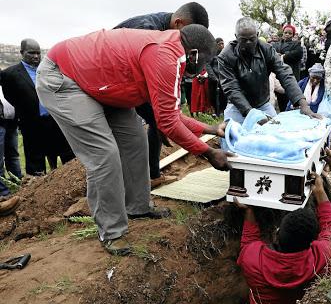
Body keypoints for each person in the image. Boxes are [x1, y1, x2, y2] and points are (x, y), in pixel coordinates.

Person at [35, 25, 234, 256]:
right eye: (205, 62)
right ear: (194, 54)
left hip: (102, 84)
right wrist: (208, 153)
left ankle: (138, 207)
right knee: (104, 155)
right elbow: (168, 123)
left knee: (136, 140)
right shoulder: (166, 55)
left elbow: (172, 113)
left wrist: (212, 128)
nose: (203, 69)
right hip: (65, 77)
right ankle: (110, 231)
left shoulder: (175, 52)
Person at [113, 2, 209, 188]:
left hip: (129, 86)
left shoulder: (173, 31)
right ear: (179, 23)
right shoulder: (148, 32)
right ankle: (125, 187)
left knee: (158, 122)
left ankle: (152, 175)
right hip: (112, 85)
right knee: (130, 140)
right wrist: (159, 119)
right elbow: (136, 82)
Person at [235, 172, 331, 304]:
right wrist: (319, 191)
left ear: (276, 234)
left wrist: (249, 211)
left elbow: (248, 243)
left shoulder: (252, 259)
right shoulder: (325, 256)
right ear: (312, 242)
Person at [218, 17, 320, 127]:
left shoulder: (266, 50)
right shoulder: (226, 56)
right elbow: (232, 88)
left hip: (262, 104)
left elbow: (284, 73)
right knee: (232, 137)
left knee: (274, 133)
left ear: (257, 35)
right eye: (243, 40)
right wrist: (251, 115)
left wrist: (303, 104)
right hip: (237, 107)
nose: (248, 43)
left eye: (252, 39)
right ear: (236, 37)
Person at [0, 39, 75, 176]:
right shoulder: (9, 74)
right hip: (31, 125)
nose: (35, 56)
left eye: (38, 53)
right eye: (31, 53)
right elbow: (10, 97)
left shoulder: (49, 69)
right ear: (22, 52)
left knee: (68, 156)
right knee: (35, 164)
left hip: (55, 122)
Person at [0, 84, 23, 197]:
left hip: (11, 122)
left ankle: (18, 183)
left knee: (13, 155)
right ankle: (3, 192)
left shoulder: (5, 81)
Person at [206, 38, 227, 117]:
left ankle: (221, 112)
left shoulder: (225, 54)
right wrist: (213, 77)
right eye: (219, 44)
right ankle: (213, 112)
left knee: (223, 96)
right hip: (213, 79)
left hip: (222, 79)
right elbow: (208, 65)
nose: (221, 46)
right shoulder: (211, 54)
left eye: (222, 44)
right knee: (212, 96)